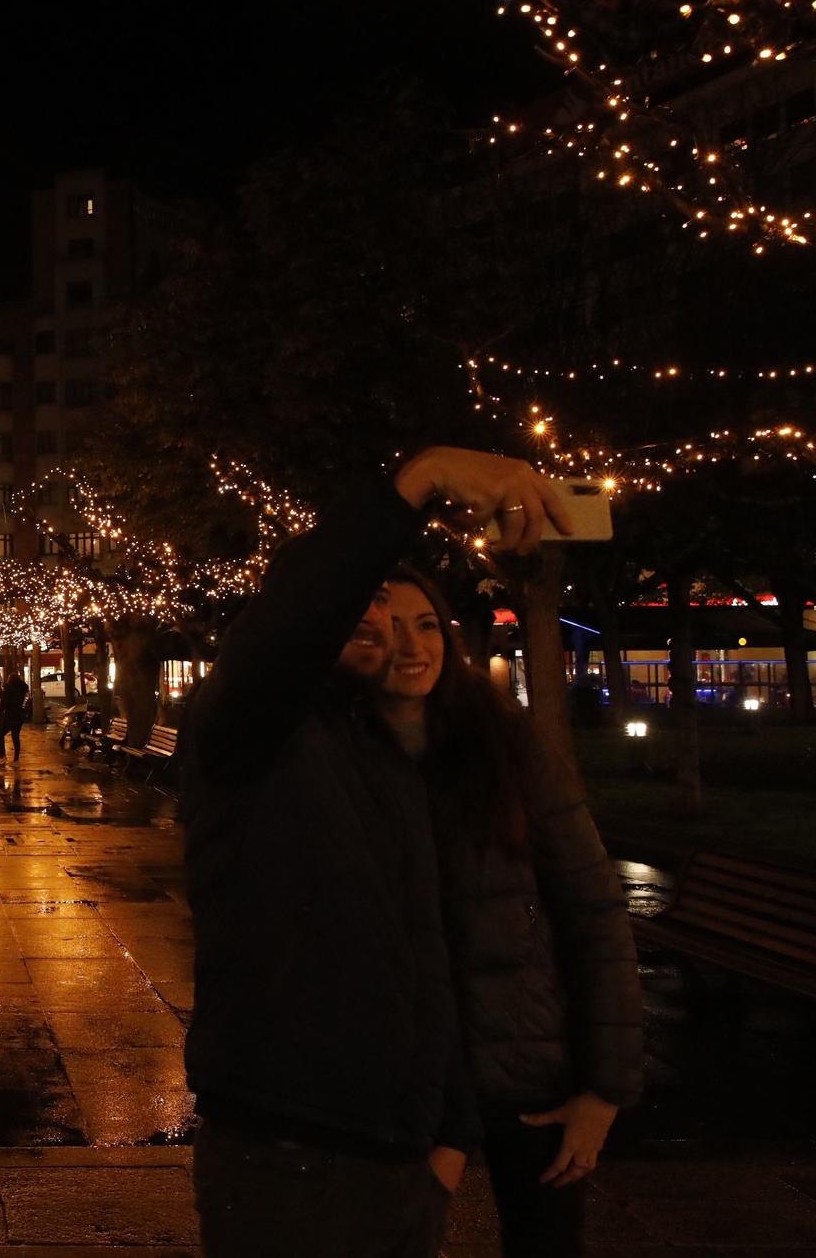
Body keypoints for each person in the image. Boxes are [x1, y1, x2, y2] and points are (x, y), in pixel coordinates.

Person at [180, 446, 572, 1258]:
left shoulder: (385, 753)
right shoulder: (250, 730)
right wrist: (419, 478)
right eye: (356, 600)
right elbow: (296, 615)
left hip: (405, 1161)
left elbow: (429, 951)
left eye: (399, 615)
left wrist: (450, 1137)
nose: (378, 617)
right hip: (289, 1155)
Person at [379, 567, 643, 1258]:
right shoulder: (339, 758)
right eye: (385, 627)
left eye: (427, 623)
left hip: (528, 1069)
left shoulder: (507, 742)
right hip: (403, 1074)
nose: (411, 644)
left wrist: (604, 1088)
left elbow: (594, 911)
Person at [0, 669, 29, 762]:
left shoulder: (8, 689)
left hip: (10, 716)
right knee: (15, 737)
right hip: (19, 716)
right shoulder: (23, 689)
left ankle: (2, 756)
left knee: (0, 734)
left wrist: (0, 712)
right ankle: (16, 759)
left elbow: (4, 703)